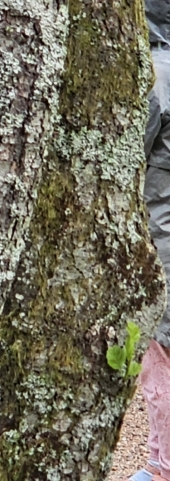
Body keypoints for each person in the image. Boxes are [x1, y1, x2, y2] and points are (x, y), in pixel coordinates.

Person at [131, 2, 170, 480]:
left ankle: (160, 465)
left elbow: (127, 158)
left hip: (161, 237)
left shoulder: (154, 78)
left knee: (159, 351)